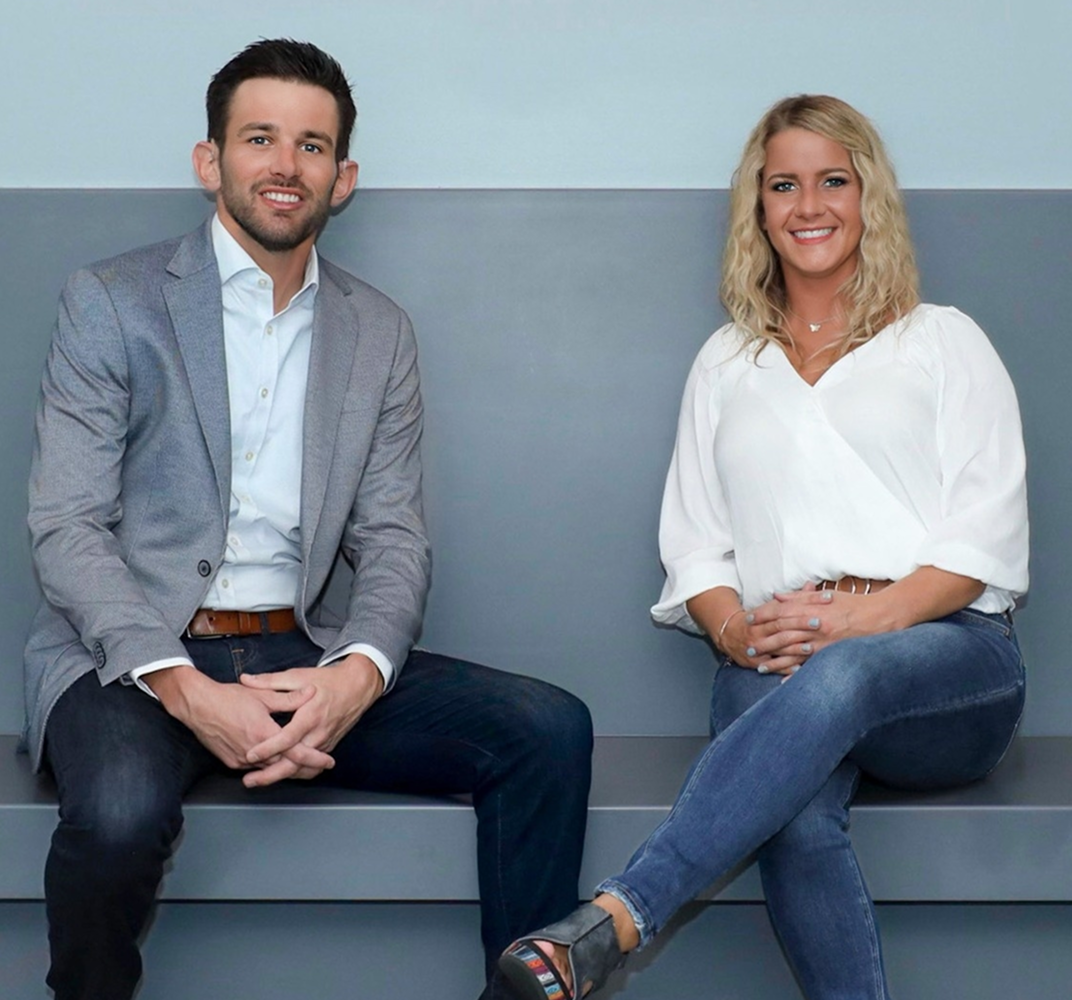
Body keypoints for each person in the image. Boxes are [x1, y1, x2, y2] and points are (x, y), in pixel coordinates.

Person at [24, 38, 592, 1000]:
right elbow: (66, 529)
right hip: (134, 659)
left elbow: (394, 538)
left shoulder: (380, 332)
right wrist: (190, 694)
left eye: (312, 147)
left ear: (344, 179)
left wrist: (355, 677)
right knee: (119, 813)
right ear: (211, 162)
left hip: (302, 649)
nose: (286, 166)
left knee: (548, 729)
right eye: (260, 139)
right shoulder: (110, 303)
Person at [500, 94, 1027, 1000]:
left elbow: (983, 544)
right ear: (759, 207)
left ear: (869, 199)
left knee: (848, 674)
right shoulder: (726, 363)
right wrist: (736, 635)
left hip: (946, 662)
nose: (808, 205)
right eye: (783, 185)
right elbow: (696, 547)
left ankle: (617, 919)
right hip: (780, 653)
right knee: (795, 818)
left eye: (833, 180)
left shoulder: (944, 341)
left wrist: (860, 623)